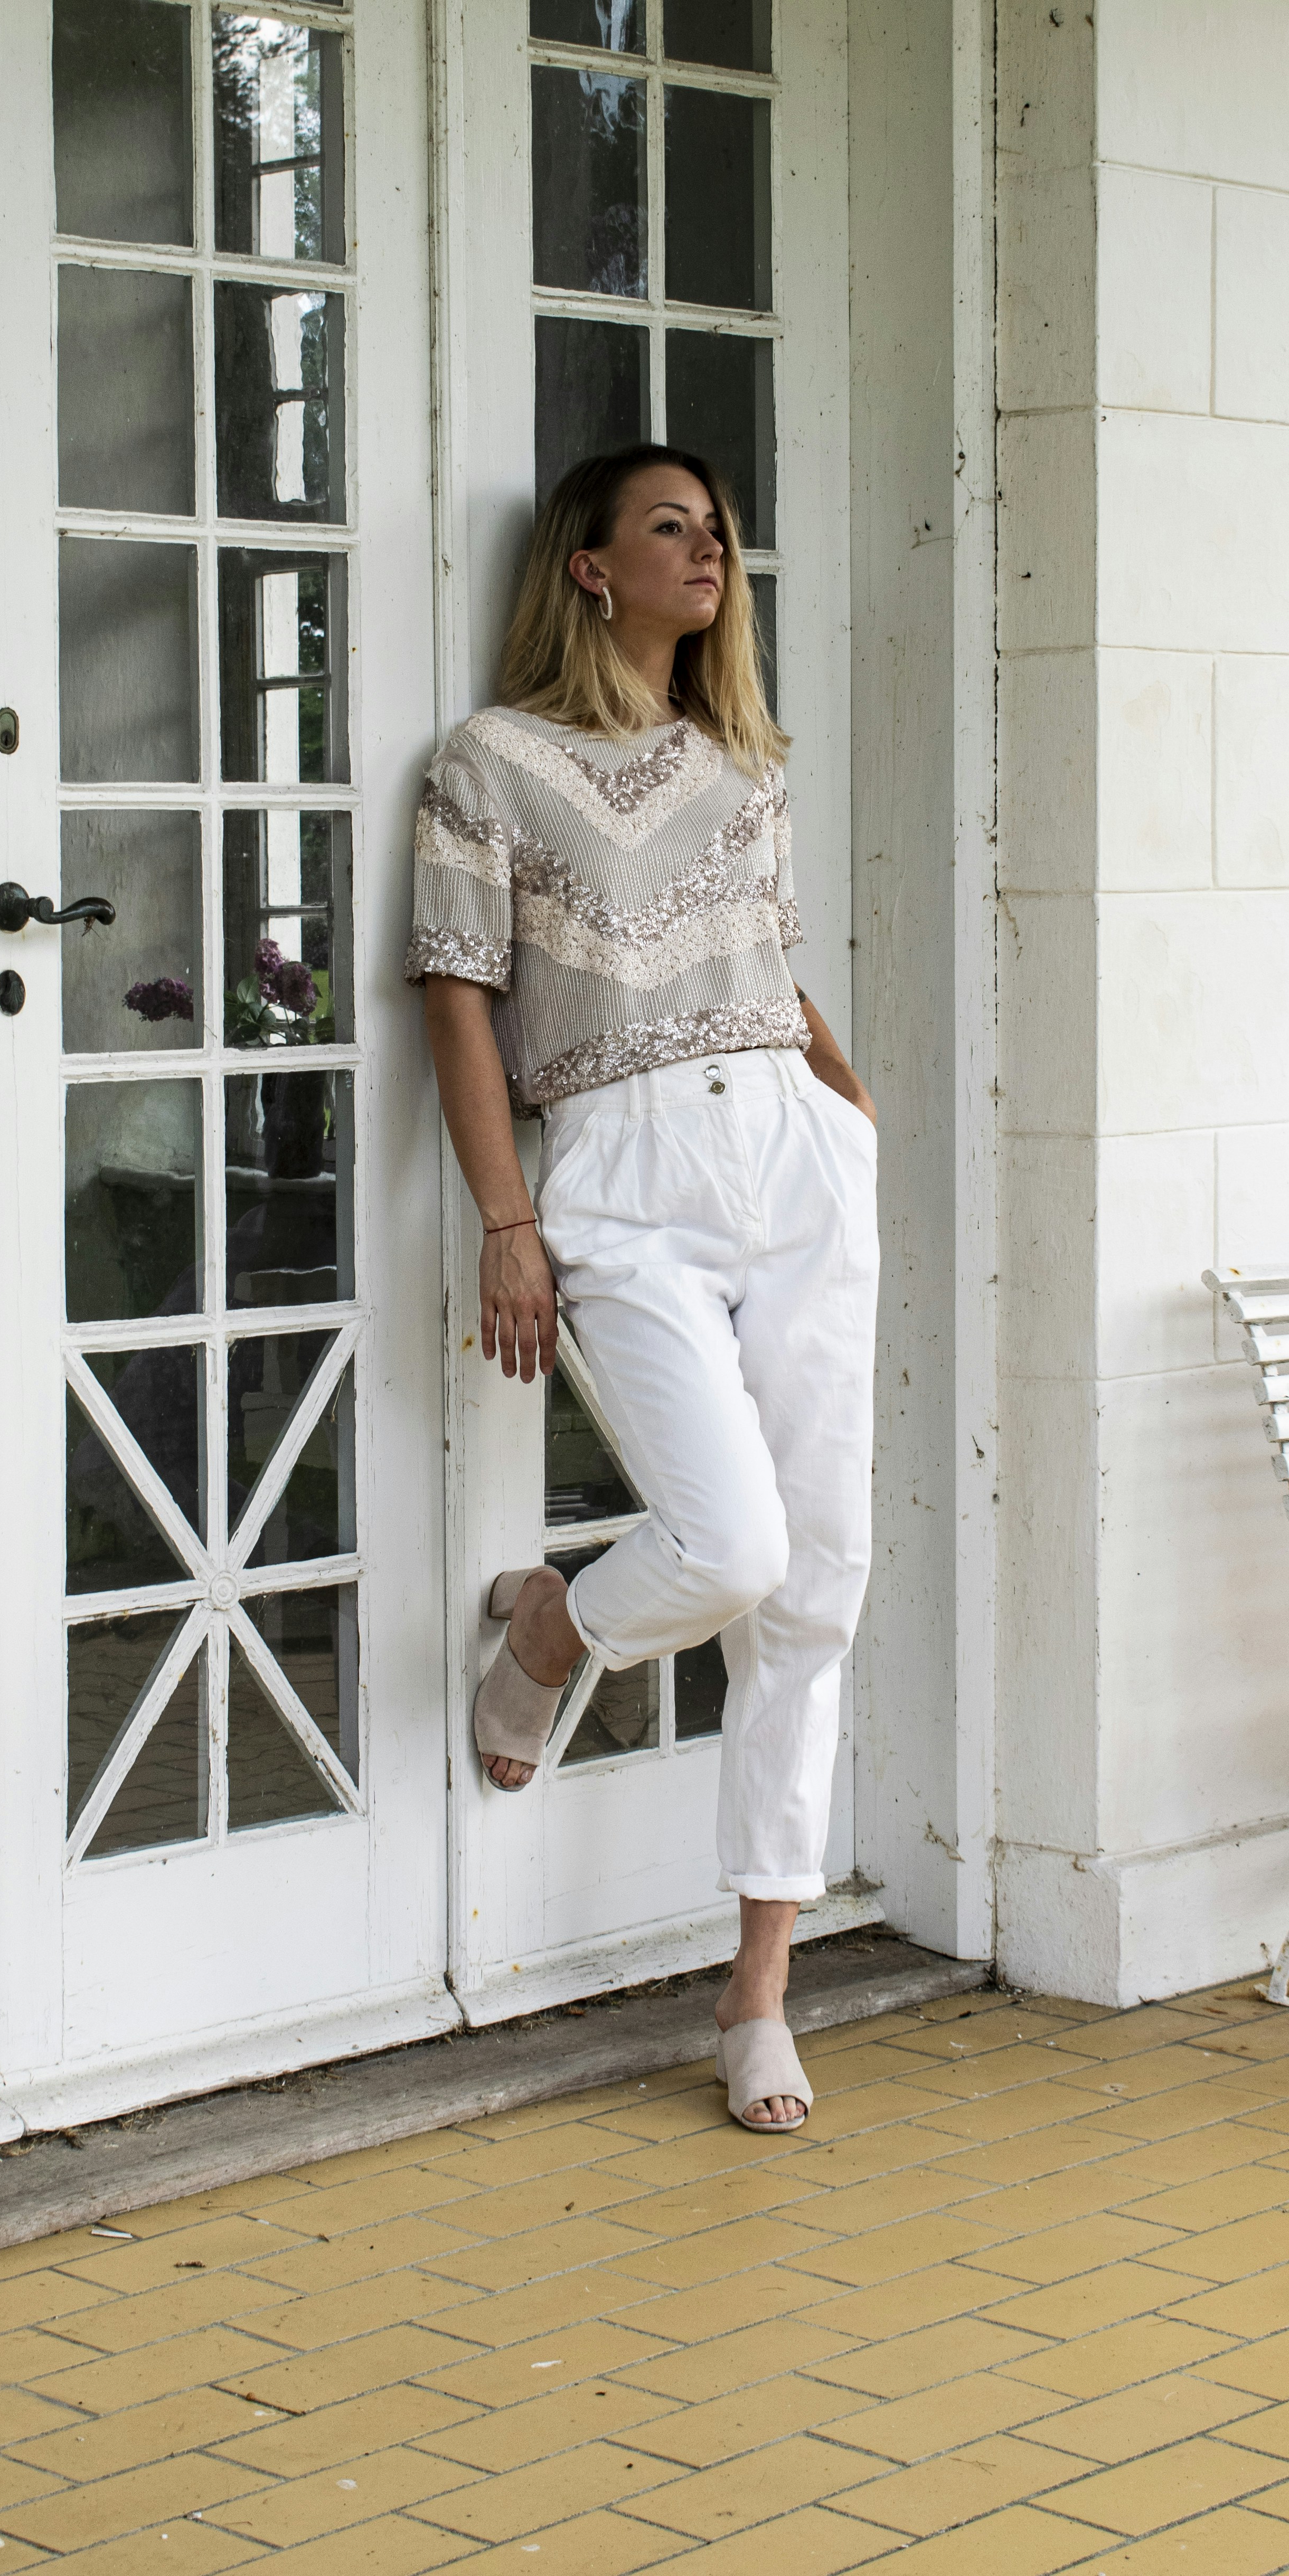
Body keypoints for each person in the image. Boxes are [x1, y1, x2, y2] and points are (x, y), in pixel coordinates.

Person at [406, 445, 880, 2133]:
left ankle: (759, 1998)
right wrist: (507, 1216)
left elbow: (772, 958)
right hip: (621, 1171)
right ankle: (554, 1625)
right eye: (671, 527)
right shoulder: (493, 765)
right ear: (592, 568)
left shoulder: (739, 764)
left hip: (795, 1156)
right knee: (730, 1543)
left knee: (814, 1585)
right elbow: (458, 996)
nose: (711, 552)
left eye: (721, 532)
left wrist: (846, 1097)